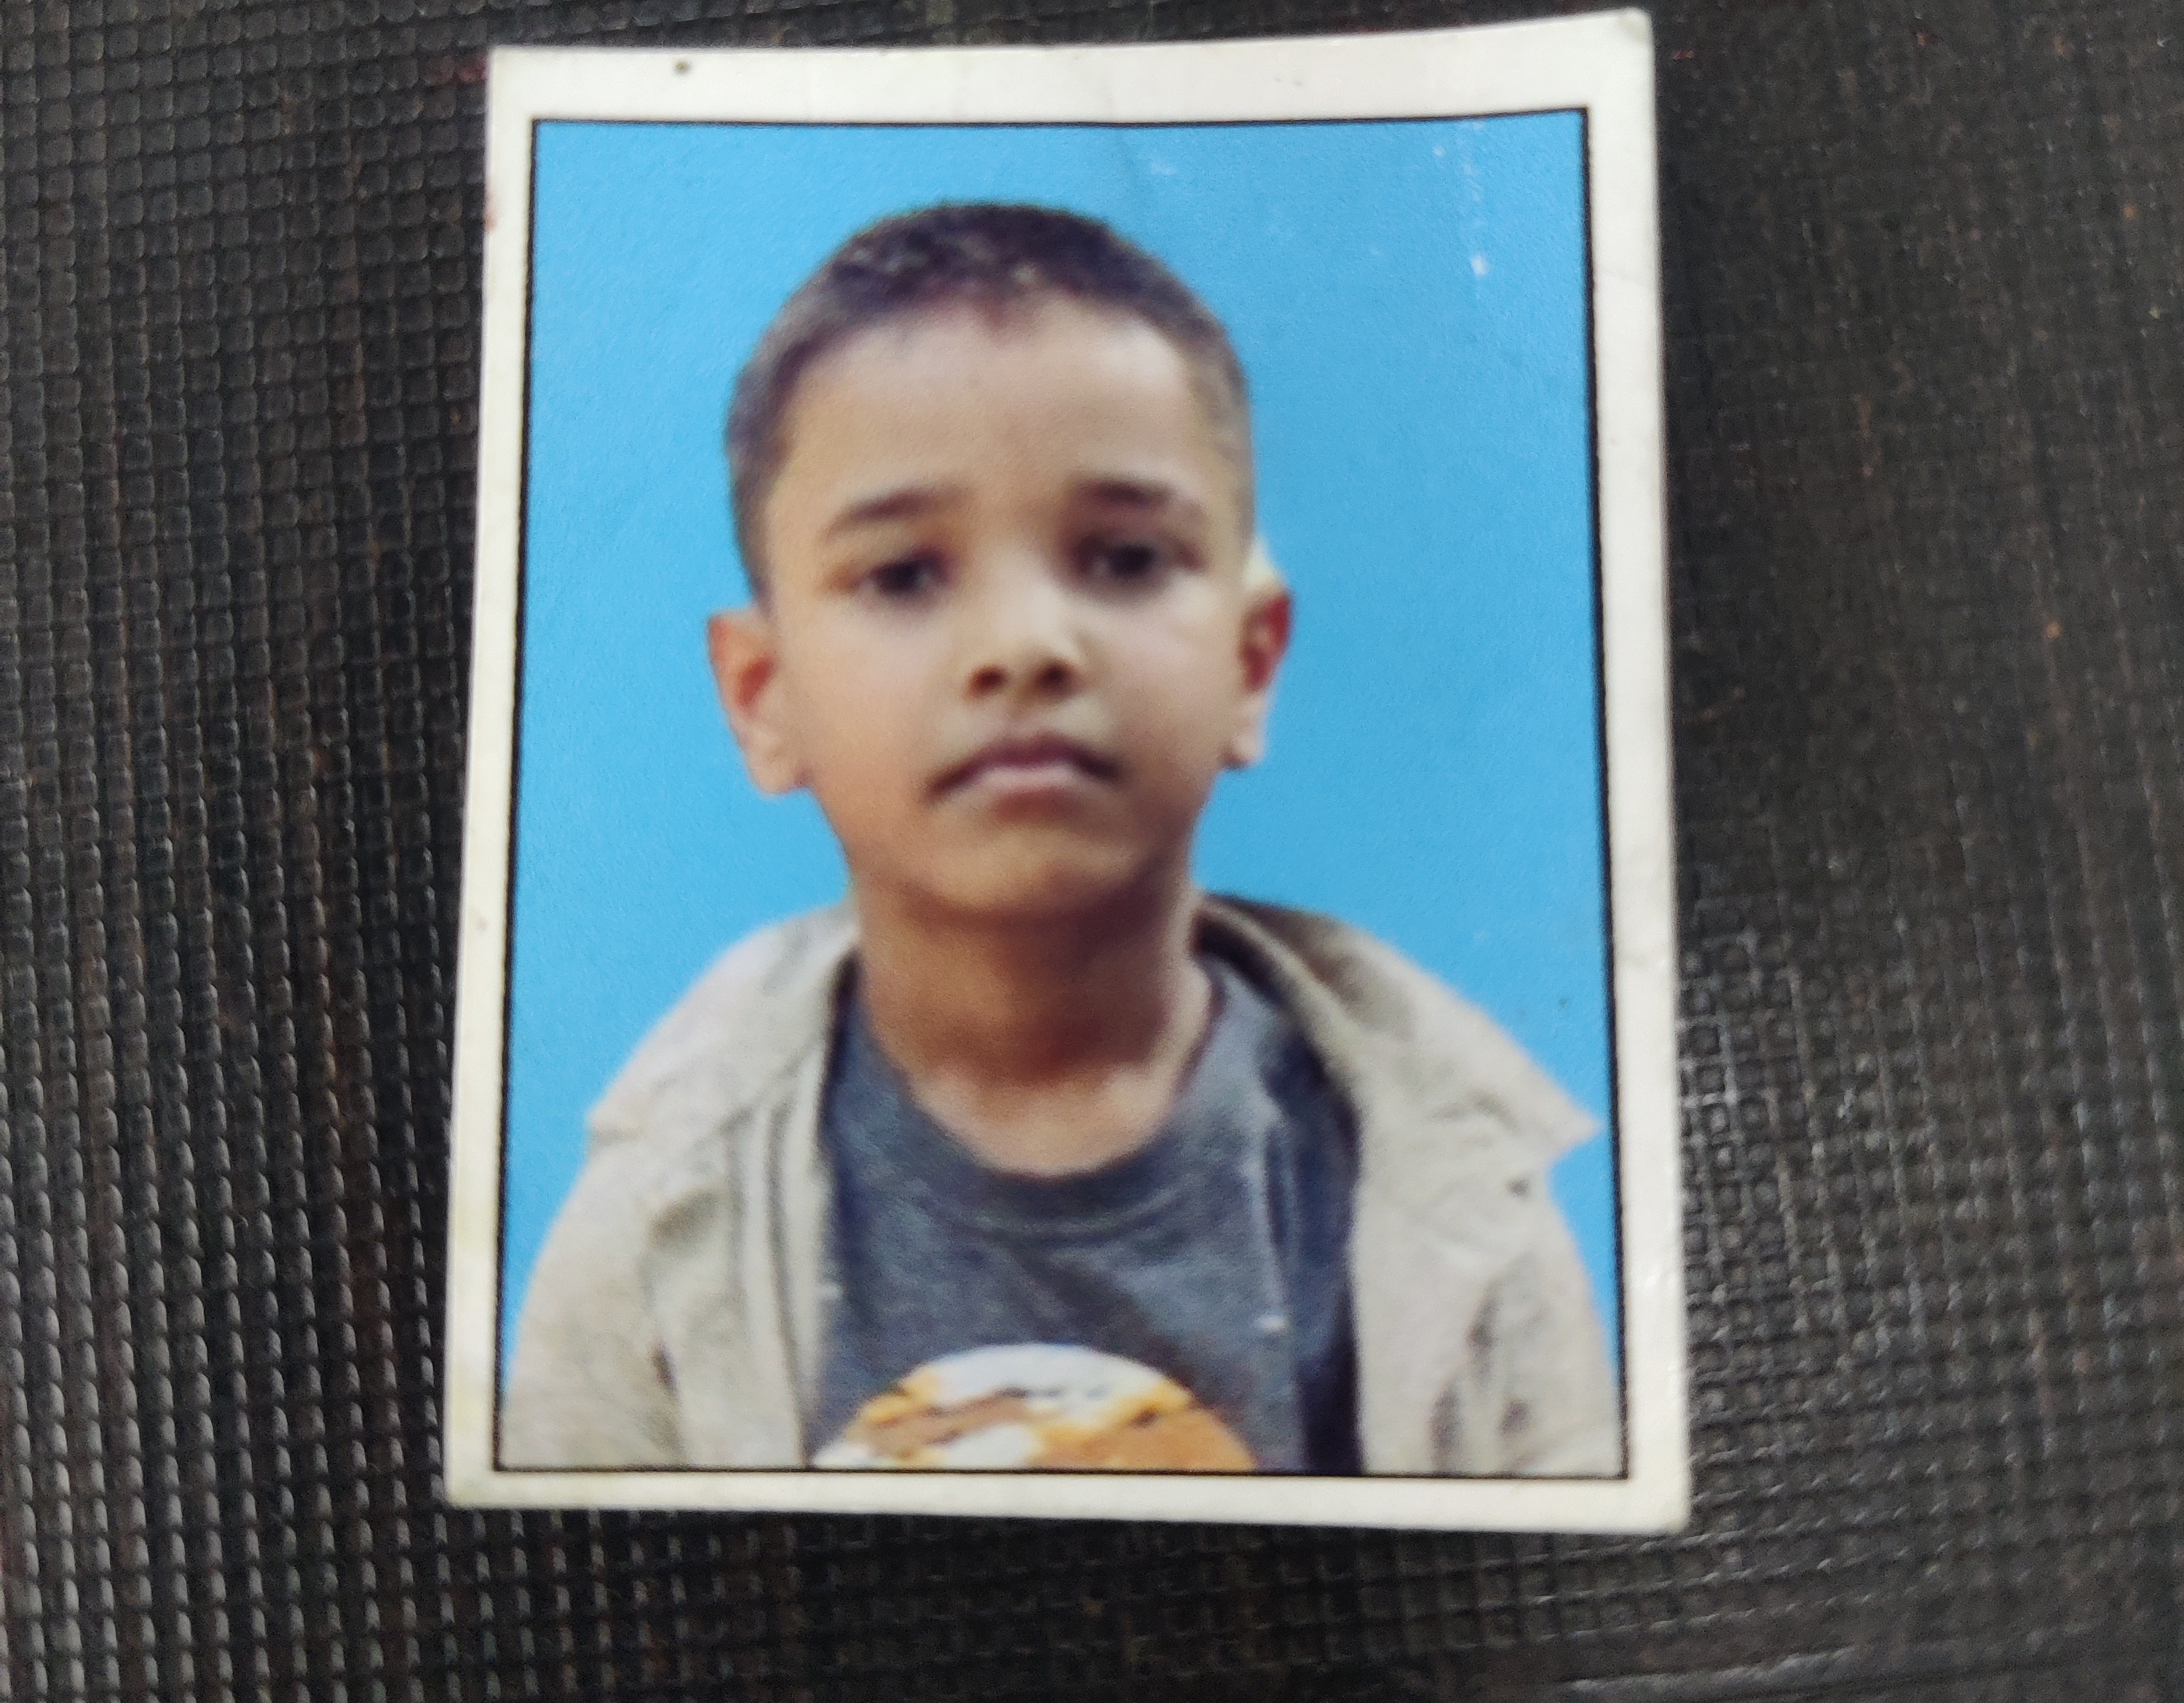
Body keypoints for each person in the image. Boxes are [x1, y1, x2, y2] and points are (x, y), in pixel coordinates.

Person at [502, 202, 1618, 1478]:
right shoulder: (660, 1215)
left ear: (1251, 662)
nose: (1025, 644)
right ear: (764, 698)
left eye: (1125, 558)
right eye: (904, 575)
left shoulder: (1446, 1191)